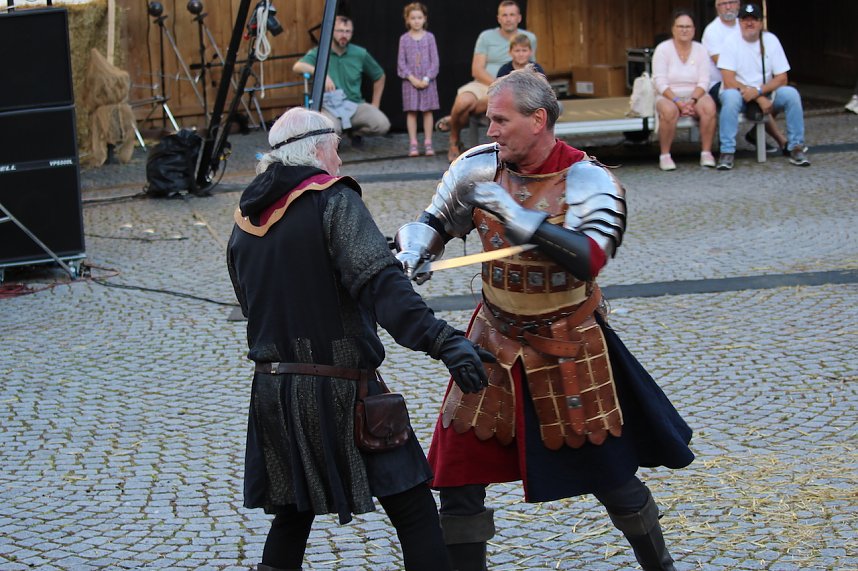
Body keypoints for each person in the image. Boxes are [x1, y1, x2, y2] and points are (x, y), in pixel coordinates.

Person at [394, 68, 694, 571]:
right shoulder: (478, 169)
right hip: (492, 340)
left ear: (538, 120)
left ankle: (659, 565)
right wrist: (416, 250)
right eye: (489, 120)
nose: (489, 131)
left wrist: (516, 217)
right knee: (458, 476)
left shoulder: (589, 180)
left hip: (568, 343)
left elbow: (590, 256)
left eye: (500, 120)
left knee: (613, 476)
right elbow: (434, 220)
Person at [227, 106, 495, 571]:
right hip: (345, 393)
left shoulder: (245, 219)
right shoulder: (333, 201)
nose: (340, 161)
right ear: (315, 149)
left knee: (292, 517)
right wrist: (446, 343)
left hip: (275, 391)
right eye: (336, 147)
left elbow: (265, 301)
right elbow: (387, 295)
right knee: (413, 509)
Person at [437, 1, 536, 162]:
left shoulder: (529, 38)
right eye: (504, 15)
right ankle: (454, 140)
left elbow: (531, 67)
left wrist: (507, 87)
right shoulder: (486, 37)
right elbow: (476, 69)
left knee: (489, 102)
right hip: (484, 83)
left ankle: (454, 119)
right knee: (462, 101)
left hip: (515, 87)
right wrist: (498, 84)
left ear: (519, 17)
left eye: (512, 15)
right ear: (498, 18)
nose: (508, 19)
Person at [716, 3, 810, 170]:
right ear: (739, 22)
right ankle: (727, 151)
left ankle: (796, 147)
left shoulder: (771, 41)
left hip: (765, 91)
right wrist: (757, 97)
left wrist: (759, 92)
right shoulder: (731, 42)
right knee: (730, 98)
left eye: (754, 20)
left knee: (791, 94)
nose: (749, 23)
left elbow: (782, 78)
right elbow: (728, 79)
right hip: (739, 93)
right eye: (745, 19)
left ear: (761, 23)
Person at [292, 15, 390, 147]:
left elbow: (379, 76)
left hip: (355, 105)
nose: (344, 35)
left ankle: (355, 132)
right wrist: (322, 75)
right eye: (340, 31)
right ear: (332, 31)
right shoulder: (320, 52)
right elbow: (297, 66)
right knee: (330, 131)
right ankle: (333, 143)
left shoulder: (359, 53)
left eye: (348, 31)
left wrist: (375, 104)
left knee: (382, 124)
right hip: (329, 107)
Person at [701, 0, 782, 154]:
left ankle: (756, 134)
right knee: (754, 98)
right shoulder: (712, 31)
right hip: (719, 83)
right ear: (717, 7)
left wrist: (756, 89)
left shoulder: (746, 24)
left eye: (731, 2)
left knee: (777, 96)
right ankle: (782, 141)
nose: (728, 7)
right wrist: (756, 94)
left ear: (738, 4)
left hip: (748, 82)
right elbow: (726, 70)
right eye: (723, 3)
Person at [652, 9, 716, 170]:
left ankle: (706, 153)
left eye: (688, 26)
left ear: (694, 30)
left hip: (696, 93)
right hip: (668, 94)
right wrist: (679, 102)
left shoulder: (701, 49)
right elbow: (659, 82)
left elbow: (704, 81)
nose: (684, 30)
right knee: (668, 111)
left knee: (709, 107)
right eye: (680, 26)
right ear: (673, 29)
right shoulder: (662, 49)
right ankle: (665, 155)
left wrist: (693, 100)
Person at [397, 2, 440, 157]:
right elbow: (401, 62)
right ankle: (413, 142)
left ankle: (428, 141)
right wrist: (412, 78)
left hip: (428, 82)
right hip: (410, 83)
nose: (416, 21)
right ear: (407, 20)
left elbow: (435, 61)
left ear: (424, 19)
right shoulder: (404, 39)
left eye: (419, 17)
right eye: (413, 18)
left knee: (428, 111)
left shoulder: (430, 38)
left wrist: (427, 78)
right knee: (412, 112)